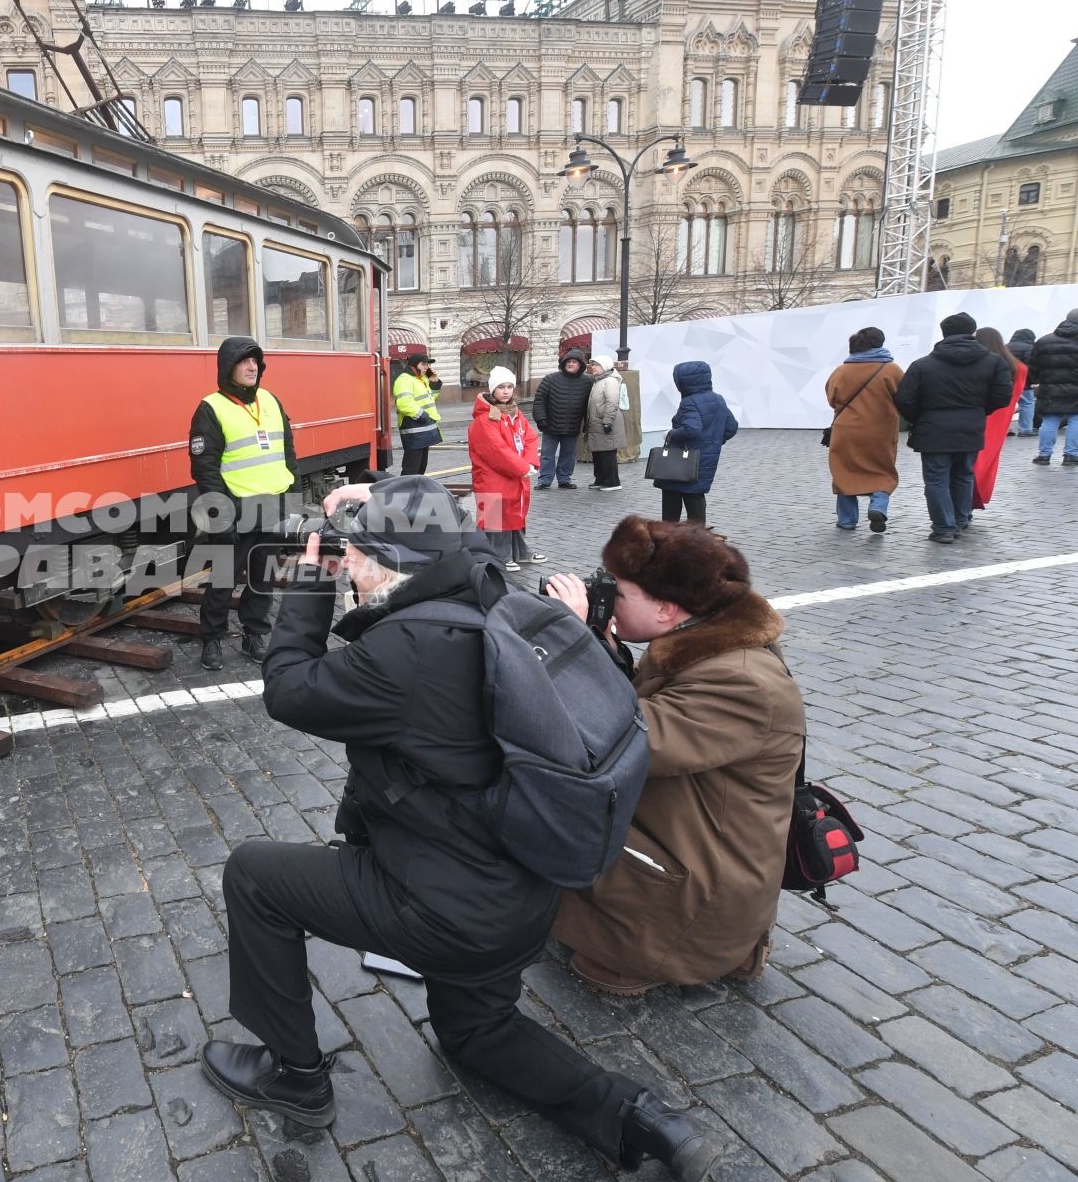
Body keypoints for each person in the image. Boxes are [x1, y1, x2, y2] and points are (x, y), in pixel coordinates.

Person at [202, 477, 722, 1181]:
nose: (347, 566)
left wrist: (309, 580)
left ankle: (296, 1077)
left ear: (385, 563)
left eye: (354, 555)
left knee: (255, 875)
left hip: (442, 909)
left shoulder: (406, 650)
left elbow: (289, 689)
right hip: (521, 899)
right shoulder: (493, 596)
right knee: (475, 1033)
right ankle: (643, 1121)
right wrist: (374, 498)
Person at [550, 516, 805, 994]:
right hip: (695, 842)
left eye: (617, 591)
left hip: (702, 893)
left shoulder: (743, 680)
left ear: (667, 609)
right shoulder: (696, 643)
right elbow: (640, 712)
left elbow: (622, 742)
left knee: (545, 810)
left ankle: (665, 954)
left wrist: (573, 643)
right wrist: (607, 648)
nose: (602, 597)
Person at [190, 336, 298, 671]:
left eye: (256, 361)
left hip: (271, 505)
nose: (252, 367)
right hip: (235, 508)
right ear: (228, 367)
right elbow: (204, 469)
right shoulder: (211, 407)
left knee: (261, 577)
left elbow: (288, 453)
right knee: (223, 578)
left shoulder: (270, 401)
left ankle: (254, 634)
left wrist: (289, 494)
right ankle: (212, 640)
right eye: (244, 361)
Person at [893, 311, 1014, 542]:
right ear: (972, 332)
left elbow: (904, 399)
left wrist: (921, 417)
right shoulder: (994, 362)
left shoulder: (922, 365)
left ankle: (944, 527)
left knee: (937, 479)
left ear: (943, 333)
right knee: (963, 474)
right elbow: (1002, 397)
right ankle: (960, 520)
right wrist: (979, 411)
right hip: (970, 426)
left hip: (933, 429)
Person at [824, 327, 904, 533]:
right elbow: (904, 397)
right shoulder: (892, 370)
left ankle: (847, 520)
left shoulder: (841, 371)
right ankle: (877, 506)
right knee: (881, 470)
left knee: (844, 472)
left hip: (846, 430)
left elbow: (832, 399)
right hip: (881, 430)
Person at [467, 366, 544, 573]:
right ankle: (499, 555)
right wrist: (522, 467)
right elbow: (495, 450)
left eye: (509, 386)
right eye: (501, 387)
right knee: (496, 515)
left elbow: (529, 438)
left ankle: (519, 552)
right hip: (493, 476)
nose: (506, 391)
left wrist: (529, 463)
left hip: (514, 474)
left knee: (514, 513)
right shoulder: (484, 420)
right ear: (492, 390)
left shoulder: (515, 414)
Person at [654, 362, 737, 525]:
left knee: (672, 496)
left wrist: (670, 434)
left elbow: (691, 430)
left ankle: (668, 535)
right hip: (705, 459)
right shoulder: (718, 399)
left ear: (684, 381)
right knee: (695, 496)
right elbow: (731, 427)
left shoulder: (690, 402)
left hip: (681, 460)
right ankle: (698, 538)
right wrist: (713, 442)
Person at [972, 328, 1026, 512]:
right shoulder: (1017, 367)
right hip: (1001, 417)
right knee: (987, 459)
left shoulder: (979, 363)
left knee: (972, 459)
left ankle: (968, 498)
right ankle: (975, 495)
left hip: (978, 413)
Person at [531, 348, 593, 489]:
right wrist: (541, 419)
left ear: (580, 365)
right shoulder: (550, 379)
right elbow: (539, 400)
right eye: (569, 361)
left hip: (573, 425)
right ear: (564, 363)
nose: (571, 364)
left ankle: (564, 479)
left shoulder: (587, 382)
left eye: (574, 362)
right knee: (547, 455)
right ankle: (545, 480)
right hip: (551, 425)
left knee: (569, 455)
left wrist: (586, 424)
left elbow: (588, 405)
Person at [1028, 309, 1078, 465]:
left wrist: (1035, 379)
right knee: (1076, 421)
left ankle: (1044, 454)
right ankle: (1071, 454)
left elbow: (1033, 367)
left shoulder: (1044, 341)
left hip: (1049, 389)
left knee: (1049, 421)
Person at [391, 354, 444, 476]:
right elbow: (404, 404)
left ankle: (415, 491)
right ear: (414, 364)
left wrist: (435, 382)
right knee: (411, 469)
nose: (426, 367)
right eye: (423, 364)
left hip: (422, 428)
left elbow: (430, 398)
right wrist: (423, 416)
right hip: (415, 428)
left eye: (427, 365)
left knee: (420, 468)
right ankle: (406, 493)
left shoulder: (422, 378)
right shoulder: (404, 379)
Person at [584, 355, 624, 491]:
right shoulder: (599, 381)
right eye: (592, 364)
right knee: (598, 453)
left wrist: (607, 421)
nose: (593, 367)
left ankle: (612, 482)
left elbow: (612, 402)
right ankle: (601, 480)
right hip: (597, 424)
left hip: (605, 423)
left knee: (607, 454)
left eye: (596, 365)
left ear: (605, 367)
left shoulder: (610, 381)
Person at [1008, 329, 1037, 436]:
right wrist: (1033, 380)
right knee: (1027, 404)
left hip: (1005, 381)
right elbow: (1029, 366)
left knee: (1007, 405)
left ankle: (1006, 429)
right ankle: (1025, 429)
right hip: (1022, 382)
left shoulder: (1005, 347)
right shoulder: (1029, 348)